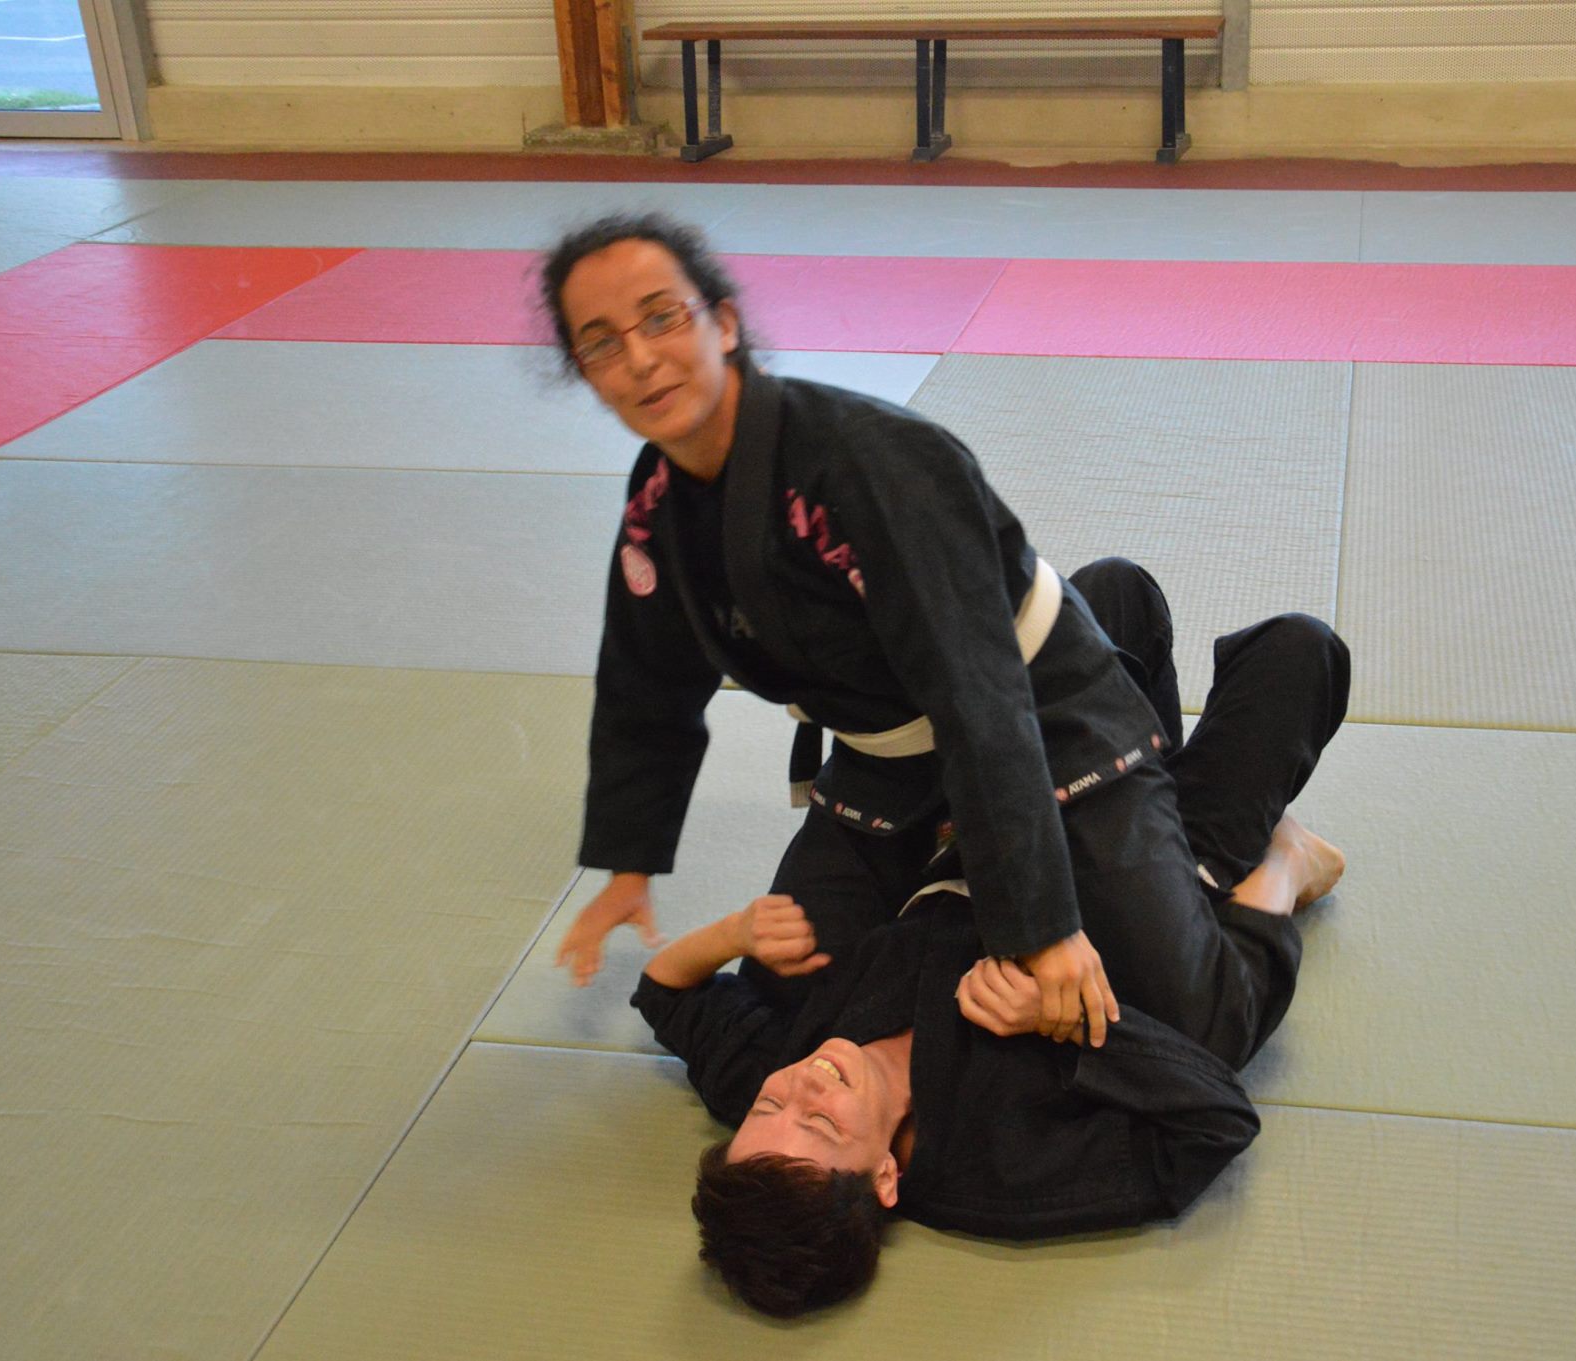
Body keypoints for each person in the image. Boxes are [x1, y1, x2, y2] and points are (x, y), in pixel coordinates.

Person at [547, 211, 1220, 1045]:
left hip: (1039, 711)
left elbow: (977, 695)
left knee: (1173, 1009)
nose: (640, 358)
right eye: (601, 343)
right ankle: (976, 853)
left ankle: (1233, 823)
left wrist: (1042, 927)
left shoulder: (869, 458)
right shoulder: (658, 502)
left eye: (661, 317)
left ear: (721, 322)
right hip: (888, 758)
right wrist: (630, 863)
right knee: (799, 999)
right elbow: (644, 683)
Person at [634, 565, 1350, 1316]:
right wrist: (1056, 1023)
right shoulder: (1000, 1172)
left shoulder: (770, 1102)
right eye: (819, 1121)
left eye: (769, 1105)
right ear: (884, 1176)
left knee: (1111, 598)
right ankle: (1287, 858)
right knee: (1298, 653)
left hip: (1007, 846)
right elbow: (1215, 1120)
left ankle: (1149, 779)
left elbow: (664, 992)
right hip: (1149, 918)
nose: (804, 1085)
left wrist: (735, 932)